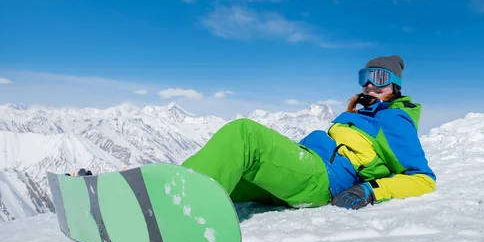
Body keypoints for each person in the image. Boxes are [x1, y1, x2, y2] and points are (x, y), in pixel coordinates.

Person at [182, 55, 436, 210]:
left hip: (320, 178)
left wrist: (371, 190)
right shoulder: (365, 115)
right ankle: (166, 191)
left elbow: (423, 178)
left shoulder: (394, 119)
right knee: (223, 173)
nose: (370, 84)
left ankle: (180, 206)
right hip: (305, 171)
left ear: (395, 85)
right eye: (365, 76)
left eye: (379, 77)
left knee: (243, 134)